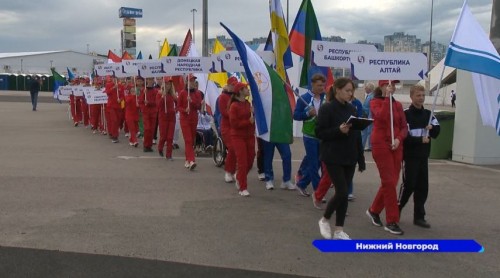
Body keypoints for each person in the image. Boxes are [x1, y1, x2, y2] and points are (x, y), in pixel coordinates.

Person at [316, 78, 365, 240]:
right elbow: (320, 133)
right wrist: (338, 131)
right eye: (347, 90)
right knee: (342, 191)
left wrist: (361, 158)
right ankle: (324, 219)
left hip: (349, 155)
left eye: (352, 91)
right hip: (332, 155)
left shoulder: (352, 108)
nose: (350, 94)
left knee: (343, 195)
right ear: (337, 90)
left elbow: (357, 134)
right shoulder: (327, 109)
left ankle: (339, 230)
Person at [366, 80, 408, 235]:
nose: (392, 87)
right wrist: (387, 98)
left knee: (392, 182)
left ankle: (374, 210)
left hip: (396, 145)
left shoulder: (398, 105)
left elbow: (404, 127)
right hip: (381, 144)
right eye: (389, 85)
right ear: (382, 87)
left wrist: (398, 139)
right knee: (389, 182)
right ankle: (391, 220)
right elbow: (381, 117)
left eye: (394, 85)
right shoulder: (375, 102)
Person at [398, 85, 440, 228]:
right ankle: (396, 210)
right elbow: (403, 136)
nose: (421, 98)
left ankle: (419, 216)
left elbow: (437, 132)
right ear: (411, 97)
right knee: (409, 185)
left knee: (422, 187)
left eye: (423, 95)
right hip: (410, 156)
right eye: (418, 95)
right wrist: (419, 140)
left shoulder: (429, 114)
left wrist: (432, 128)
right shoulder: (405, 114)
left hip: (423, 156)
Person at [293, 73, 327, 197]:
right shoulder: (304, 98)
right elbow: (296, 115)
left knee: (318, 163)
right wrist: (307, 114)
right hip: (309, 136)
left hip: (322, 136)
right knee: (313, 164)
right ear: (312, 84)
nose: (321, 87)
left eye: (323, 85)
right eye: (319, 85)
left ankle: (301, 184)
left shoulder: (325, 98)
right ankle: (318, 192)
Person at [229, 82, 255, 196]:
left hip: (249, 136)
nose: (248, 90)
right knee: (242, 162)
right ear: (240, 91)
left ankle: (239, 176)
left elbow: (252, 120)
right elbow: (234, 124)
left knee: (250, 159)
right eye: (246, 88)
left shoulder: (248, 104)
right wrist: (248, 122)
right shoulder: (234, 106)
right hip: (238, 137)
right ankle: (243, 187)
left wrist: (253, 114)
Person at [178, 74, 203, 170]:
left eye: (193, 81)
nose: (192, 83)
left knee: (191, 140)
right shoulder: (182, 93)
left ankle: (187, 160)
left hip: (194, 118)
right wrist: (185, 110)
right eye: (190, 81)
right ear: (187, 82)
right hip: (185, 119)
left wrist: (191, 101)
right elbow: (178, 107)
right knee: (188, 139)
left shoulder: (198, 93)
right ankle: (192, 160)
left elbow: (198, 106)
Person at [218, 76, 239, 182]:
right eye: (233, 85)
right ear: (229, 85)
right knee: (232, 148)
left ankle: (234, 170)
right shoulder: (222, 97)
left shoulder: (236, 96)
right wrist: (235, 114)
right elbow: (224, 112)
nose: (235, 87)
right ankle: (228, 171)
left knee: (237, 149)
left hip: (236, 126)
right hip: (227, 126)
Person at [156, 77, 177, 159]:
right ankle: (160, 147)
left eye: (169, 84)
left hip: (172, 117)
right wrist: (162, 97)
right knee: (163, 136)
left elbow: (178, 103)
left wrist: (176, 109)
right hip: (163, 117)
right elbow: (158, 105)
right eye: (167, 83)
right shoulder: (159, 94)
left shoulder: (173, 95)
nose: (168, 85)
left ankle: (169, 154)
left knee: (170, 137)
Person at [138, 77, 159, 152]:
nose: (150, 81)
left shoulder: (156, 91)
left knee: (152, 129)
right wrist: (143, 108)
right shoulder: (144, 90)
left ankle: (149, 145)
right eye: (149, 79)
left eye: (151, 79)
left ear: (153, 80)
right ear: (147, 80)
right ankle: (146, 145)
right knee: (147, 128)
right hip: (146, 112)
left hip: (153, 112)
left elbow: (157, 102)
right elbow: (140, 101)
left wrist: (149, 103)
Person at [124, 78, 140, 147]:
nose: (133, 91)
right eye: (132, 90)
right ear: (130, 91)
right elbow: (127, 102)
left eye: (134, 89)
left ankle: (131, 140)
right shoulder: (127, 97)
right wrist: (133, 96)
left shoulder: (137, 97)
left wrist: (138, 104)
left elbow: (140, 106)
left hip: (135, 115)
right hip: (129, 115)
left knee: (136, 130)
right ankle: (135, 141)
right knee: (132, 129)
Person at [361, 82, 375, 151]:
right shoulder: (369, 96)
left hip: (368, 116)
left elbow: (371, 108)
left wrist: (370, 117)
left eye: (366, 87)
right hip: (366, 116)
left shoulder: (371, 96)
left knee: (368, 131)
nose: (365, 88)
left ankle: (369, 146)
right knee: (365, 131)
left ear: (369, 88)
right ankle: (363, 145)